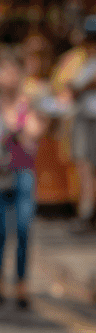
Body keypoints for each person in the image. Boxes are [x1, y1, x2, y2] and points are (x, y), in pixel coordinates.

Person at [0, 54, 46, 309]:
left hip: (23, 173)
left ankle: (21, 285)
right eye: (2, 71)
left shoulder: (28, 104)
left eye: (10, 71)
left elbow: (34, 133)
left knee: (23, 230)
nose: (6, 77)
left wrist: (16, 123)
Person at [64, 17, 96, 233]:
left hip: (90, 119)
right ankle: (87, 213)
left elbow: (83, 85)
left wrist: (79, 87)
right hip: (85, 116)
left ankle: (88, 213)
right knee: (85, 167)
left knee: (87, 168)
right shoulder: (84, 60)